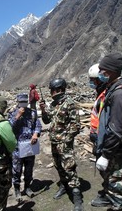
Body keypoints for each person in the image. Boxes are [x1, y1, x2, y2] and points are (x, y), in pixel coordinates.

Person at [91, 53, 122, 210]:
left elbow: (116, 130)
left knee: (115, 181)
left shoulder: (118, 95)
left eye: (102, 70)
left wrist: (105, 155)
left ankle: (120, 205)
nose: (100, 73)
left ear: (109, 72)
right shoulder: (116, 89)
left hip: (117, 148)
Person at [39, 78, 83, 211]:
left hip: (64, 144)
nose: (51, 93)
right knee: (59, 166)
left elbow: (76, 125)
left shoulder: (70, 104)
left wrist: (66, 139)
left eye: (52, 90)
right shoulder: (53, 104)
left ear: (59, 89)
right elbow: (47, 121)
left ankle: (77, 198)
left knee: (69, 168)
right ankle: (64, 186)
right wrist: (43, 110)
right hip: (54, 142)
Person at [8, 93, 42, 202]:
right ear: (17, 102)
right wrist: (17, 116)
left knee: (29, 168)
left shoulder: (32, 113)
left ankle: (27, 187)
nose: (23, 104)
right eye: (21, 102)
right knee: (16, 169)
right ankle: (17, 190)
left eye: (25, 101)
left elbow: (38, 125)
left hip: (30, 145)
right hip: (17, 147)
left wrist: (36, 134)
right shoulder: (12, 113)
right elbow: (8, 128)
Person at [88, 64, 107, 154]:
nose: (92, 82)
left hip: (103, 139)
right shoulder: (101, 93)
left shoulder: (106, 95)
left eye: (93, 80)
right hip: (98, 137)